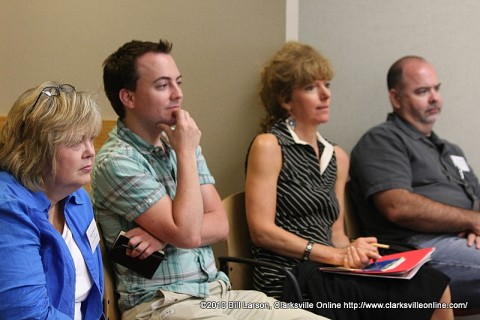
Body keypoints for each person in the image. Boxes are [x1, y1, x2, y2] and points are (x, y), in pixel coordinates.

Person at [91, 39, 325, 320]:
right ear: (128, 98)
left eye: (178, 82)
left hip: (218, 294)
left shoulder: (179, 141)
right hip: (163, 304)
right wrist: (186, 156)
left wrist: (162, 234)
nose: (177, 94)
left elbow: (220, 224)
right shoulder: (117, 160)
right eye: (163, 85)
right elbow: (188, 234)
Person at [245, 42, 453, 320]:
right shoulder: (269, 145)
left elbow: (337, 234)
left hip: (329, 270)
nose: (325, 95)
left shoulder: (337, 156)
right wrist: (334, 256)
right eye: (310, 88)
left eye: (327, 85)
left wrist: (354, 250)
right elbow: (262, 232)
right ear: (286, 100)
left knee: (432, 280)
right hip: (289, 277)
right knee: (424, 293)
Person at [349, 55, 480, 309]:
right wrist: (472, 220)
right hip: (414, 249)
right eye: (422, 91)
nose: (434, 98)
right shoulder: (381, 140)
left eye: (436, 89)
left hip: (462, 241)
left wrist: (473, 226)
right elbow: (398, 206)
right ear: (396, 98)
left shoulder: (450, 149)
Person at [0, 81, 104, 319]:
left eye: (91, 139)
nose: (90, 151)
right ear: (36, 149)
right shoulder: (8, 208)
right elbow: (28, 316)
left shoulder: (77, 198)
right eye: (76, 142)